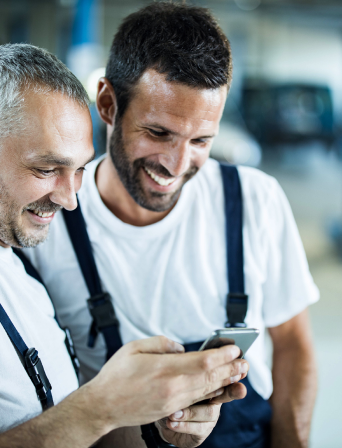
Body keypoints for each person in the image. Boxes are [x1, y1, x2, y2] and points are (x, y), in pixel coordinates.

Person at [0, 44, 250, 448]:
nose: (70, 199)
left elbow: (59, 423)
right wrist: (98, 407)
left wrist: (147, 410)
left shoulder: (0, 247)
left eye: (80, 169)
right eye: (47, 169)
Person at [27, 3, 320, 448]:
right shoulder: (47, 225)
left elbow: (294, 344)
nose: (178, 165)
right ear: (108, 103)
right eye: (159, 133)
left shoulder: (254, 200)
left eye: (201, 140)